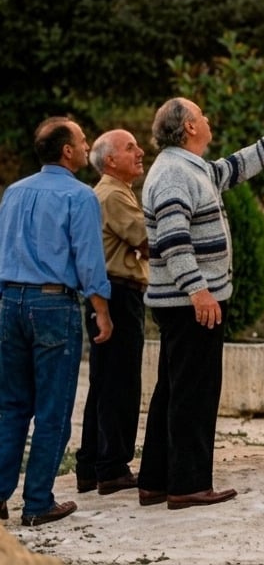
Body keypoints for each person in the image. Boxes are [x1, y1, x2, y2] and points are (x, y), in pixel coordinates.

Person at [137, 98, 264, 510]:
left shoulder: (189, 168)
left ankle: (156, 481)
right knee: (194, 393)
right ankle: (188, 485)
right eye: (203, 116)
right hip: (191, 303)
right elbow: (175, 242)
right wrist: (199, 291)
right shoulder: (175, 175)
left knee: (173, 391)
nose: (209, 120)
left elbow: (232, 169)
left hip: (184, 302)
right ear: (190, 127)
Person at [0, 118, 113, 526]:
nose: (87, 147)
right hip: (52, 304)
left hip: (9, 301)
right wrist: (101, 309)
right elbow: (88, 260)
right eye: (83, 142)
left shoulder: (13, 192)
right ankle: (37, 503)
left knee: (11, 406)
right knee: (52, 409)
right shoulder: (80, 197)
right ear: (67, 151)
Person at [75, 130, 149, 497]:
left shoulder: (107, 193)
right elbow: (148, 241)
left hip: (107, 293)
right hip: (119, 295)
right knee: (121, 382)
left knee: (104, 382)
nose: (140, 152)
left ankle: (91, 465)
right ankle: (113, 467)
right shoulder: (114, 195)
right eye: (130, 148)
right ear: (110, 161)